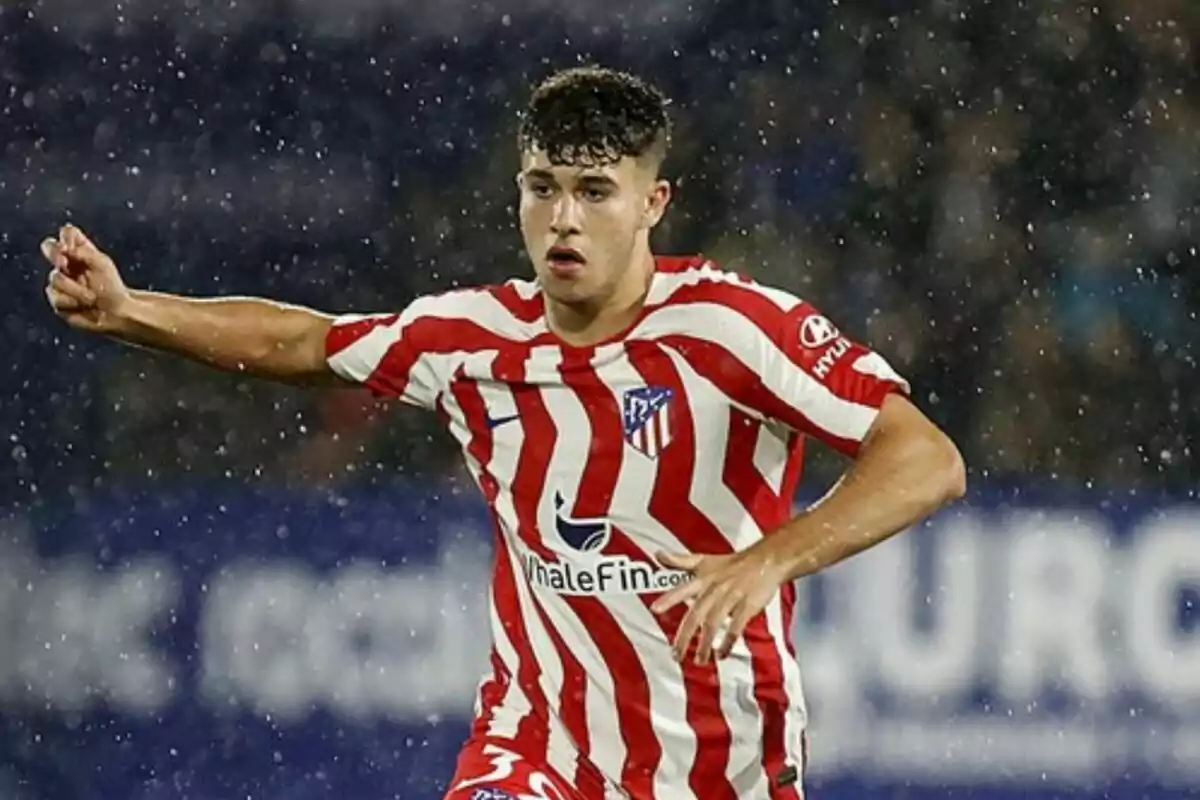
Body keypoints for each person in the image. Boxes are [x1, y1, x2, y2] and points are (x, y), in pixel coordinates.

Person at [41, 66, 966, 800]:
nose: (562, 217)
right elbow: (310, 340)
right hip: (534, 753)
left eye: (595, 191)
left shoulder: (733, 329)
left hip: (720, 768)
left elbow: (926, 458)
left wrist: (773, 557)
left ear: (653, 203)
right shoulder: (471, 339)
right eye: (542, 186)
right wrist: (131, 311)